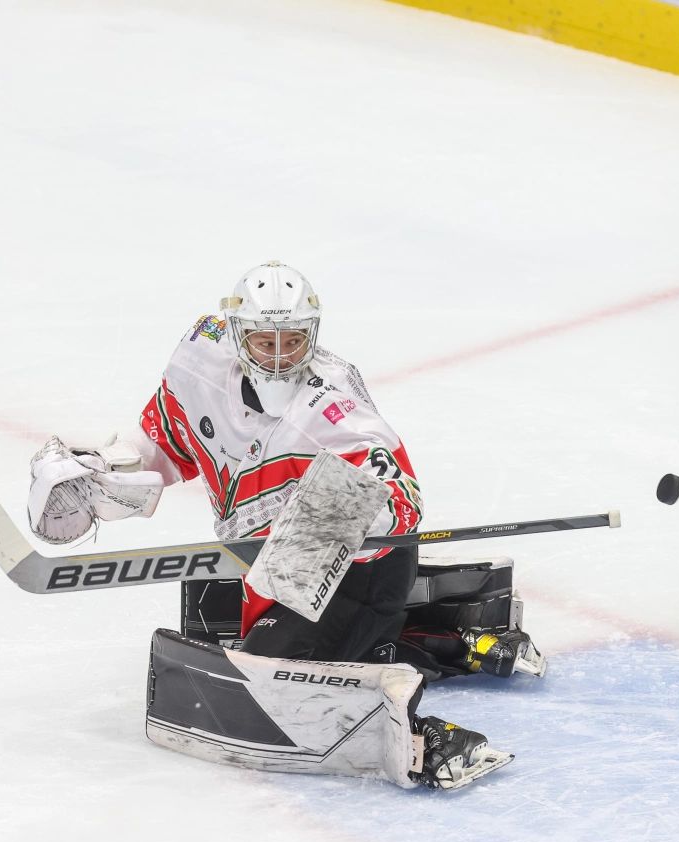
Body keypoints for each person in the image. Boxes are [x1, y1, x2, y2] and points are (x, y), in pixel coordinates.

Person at [25, 261, 508, 789]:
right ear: (237, 335)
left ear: (312, 337)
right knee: (248, 667)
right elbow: (169, 443)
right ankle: (454, 640)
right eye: (264, 342)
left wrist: (356, 513)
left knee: (258, 688)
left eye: (293, 342)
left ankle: (422, 738)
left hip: (355, 572)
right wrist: (108, 471)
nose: (278, 357)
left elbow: (404, 501)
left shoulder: (335, 410)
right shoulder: (200, 360)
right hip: (271, 573)